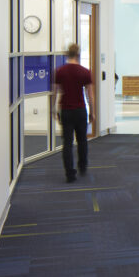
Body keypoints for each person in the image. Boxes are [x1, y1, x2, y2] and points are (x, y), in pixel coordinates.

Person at [52, 43, 95, 182]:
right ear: (78, 55)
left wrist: (53, 108)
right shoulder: (85, 71)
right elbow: (90, 95)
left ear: (67, 54)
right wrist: (92, 112)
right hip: (80, 111)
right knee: (82, 141)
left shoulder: (60, 71)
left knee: (67, 143)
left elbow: (55, 92)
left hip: (66, 111)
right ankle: (82, 165)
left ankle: (70, 174)